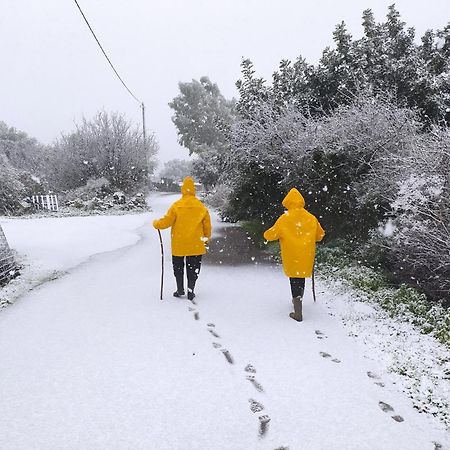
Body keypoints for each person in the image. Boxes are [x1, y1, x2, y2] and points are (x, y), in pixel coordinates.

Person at [263, 188, 325, 322]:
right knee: (301, 277)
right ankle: (298, 300)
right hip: (306, 253)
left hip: (291, 254)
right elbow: (320, 235)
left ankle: (297, 310)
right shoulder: (311, 218)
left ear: (288, 202)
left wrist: (266, 233)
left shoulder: (285, 218)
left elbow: (271, 234)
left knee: (293, 278)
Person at [153, 177, 212, 301]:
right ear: (194, 190)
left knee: (178, 268)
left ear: (183, 190)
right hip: (195, 244)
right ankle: (191, 291)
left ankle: (180, 289)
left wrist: (157, 224)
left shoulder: (176, 206)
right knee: (193, 268)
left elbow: (167, 221)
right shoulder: (201, 206)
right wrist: (206, 239)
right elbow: (207, 226)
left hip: (179, 244)